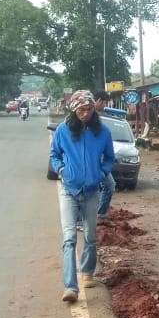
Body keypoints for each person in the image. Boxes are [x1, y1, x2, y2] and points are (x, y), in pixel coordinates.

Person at [49, 90, 116, 303]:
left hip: (91, 191)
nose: (85, 113)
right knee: (69, 238)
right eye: (81, 110)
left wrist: (102, 173)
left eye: (88, 109)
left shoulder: (102, 132)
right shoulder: (63, 130)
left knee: (90, 236)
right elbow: (54, 155)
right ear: (73, 110)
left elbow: (110, 158)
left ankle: (87, 272)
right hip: (68, 190)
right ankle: (70, 287)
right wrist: (61, 170)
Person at [93, 90, 116, 222]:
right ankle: (80, 219)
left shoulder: (99, 118)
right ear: (99, 100)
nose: (105, 106)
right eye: (105, 103)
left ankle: (100, 215)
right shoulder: (88, 116)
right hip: (89, 160)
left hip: (99, 161)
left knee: (109, 185)